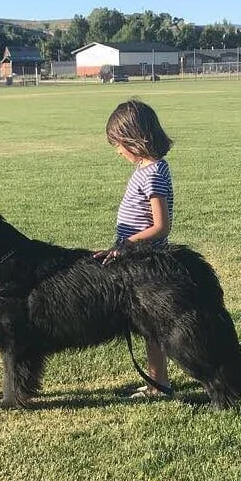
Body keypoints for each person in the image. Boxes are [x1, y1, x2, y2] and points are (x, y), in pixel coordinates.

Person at [98, 98, 174, 399]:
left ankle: (159, 384)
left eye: (119, 144)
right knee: (148, 327)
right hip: (133, 255)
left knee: (151, 327)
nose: (117, 151)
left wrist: (127, 244)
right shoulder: (148, 168)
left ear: (136, 139)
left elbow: (161, 226)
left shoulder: (153, 173)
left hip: (146, 261)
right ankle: (158, 382)